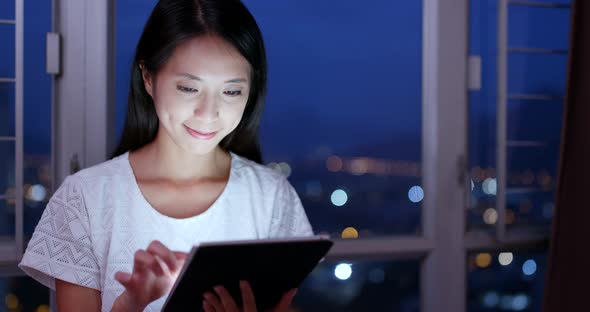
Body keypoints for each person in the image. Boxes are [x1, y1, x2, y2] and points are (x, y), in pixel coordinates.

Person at [18, 0, 313, 311]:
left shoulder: (270, 198)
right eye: (188, 88)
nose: (208, 113)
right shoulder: (86, 199)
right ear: (148, 77)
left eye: (231, 91)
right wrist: (130, 304)